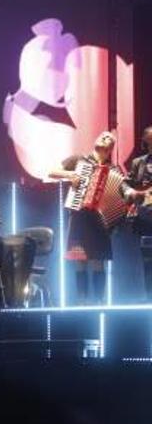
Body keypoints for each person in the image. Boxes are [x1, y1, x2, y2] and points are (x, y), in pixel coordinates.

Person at [49, 131, 140, 305]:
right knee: (80, 260)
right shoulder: (79, 160)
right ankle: (82, 301)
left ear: (111, 149)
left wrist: (130, 193)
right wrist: (71, 175)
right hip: (79, 215)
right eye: (102, 136)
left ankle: (98, 301)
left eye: (109, 139)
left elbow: (124, 189)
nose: (105, 137)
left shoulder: (114, 170)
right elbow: (52, 171)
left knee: (99, 261)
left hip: (100, 220)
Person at [126, 126, 152, 301]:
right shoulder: (138, 162)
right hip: (145, 216)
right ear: (145, 141)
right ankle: (149, 297)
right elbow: (127, 185)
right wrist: (132, 193)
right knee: (147, 259)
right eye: (149, 139)